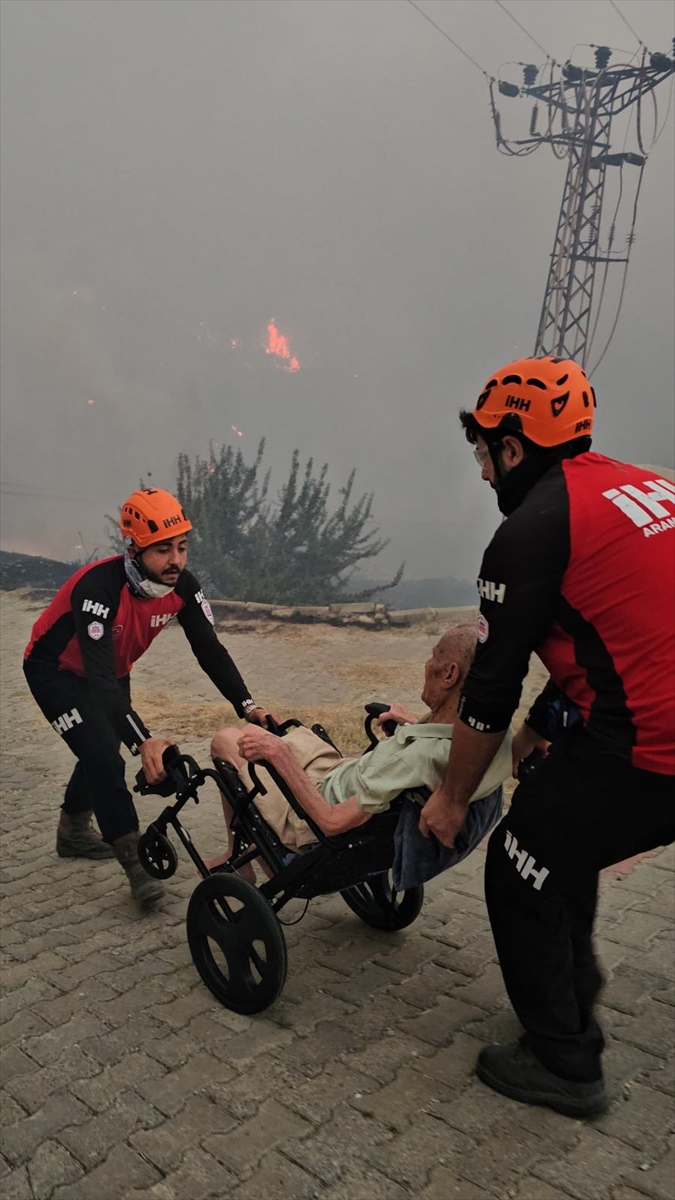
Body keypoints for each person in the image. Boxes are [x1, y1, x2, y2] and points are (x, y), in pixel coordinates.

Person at [419, 355, 675, 1117]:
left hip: (651, 748)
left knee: (519, 861)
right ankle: (575, 987)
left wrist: (452, 798)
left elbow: (486, 692)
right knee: (565, 833)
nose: (483, 471)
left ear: (514, 446)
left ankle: (563, 1061)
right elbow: (606, 636)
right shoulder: (649, 484)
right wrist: (539, 733)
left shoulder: (531, 531)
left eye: (484, 452)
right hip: (640, 726)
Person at [24, 486, 273, 909]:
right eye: (162, 550)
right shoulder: (98, 588)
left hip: (110, 671)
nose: (175, 560)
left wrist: (249, 706)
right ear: (134, 548)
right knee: (104, 751)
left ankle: (72, 832)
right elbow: (99, 681)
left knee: (100, 741)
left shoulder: (181, 586)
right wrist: (143, 740)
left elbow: (209, 650)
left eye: (181, 547)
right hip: (56, 671)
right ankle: (135, 866)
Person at [206, 625, 511, 878]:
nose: (427, 664)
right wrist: (409, 725)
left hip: (311, 813)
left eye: (435, 657)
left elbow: (332, 822)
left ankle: (240, 862)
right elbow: (438, 740)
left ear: (450, 675)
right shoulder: (487, 741)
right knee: (252, 732)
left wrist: (279, 756)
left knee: (225, 740)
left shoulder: (417, 760)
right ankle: (238, 851)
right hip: (342, 774)